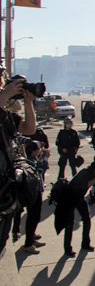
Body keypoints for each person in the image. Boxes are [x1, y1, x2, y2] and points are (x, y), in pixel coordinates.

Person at [0, 73, 36, 260]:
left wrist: (28, 103)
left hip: (5, 184)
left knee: (1, 239)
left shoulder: (7, 115)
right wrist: (4, 96)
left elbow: (29, 129)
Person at [57, 160, 95, 257]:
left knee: (87, 220)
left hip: (79, 198)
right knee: (69, 224)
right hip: (69, 197)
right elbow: (86, 185)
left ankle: (85, 244)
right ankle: (67, 249)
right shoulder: (84, 172)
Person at [13, 140, 46, 254]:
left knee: (34, 217)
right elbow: (42, 169)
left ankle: (31, 238)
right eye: (38, 149)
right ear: (32, 151)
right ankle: (28, 244)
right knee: (33, 217)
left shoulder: (33, 159)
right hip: (33, 193)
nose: (40, 150)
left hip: (36, 191)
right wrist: (44, 159)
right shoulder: (30, 162)